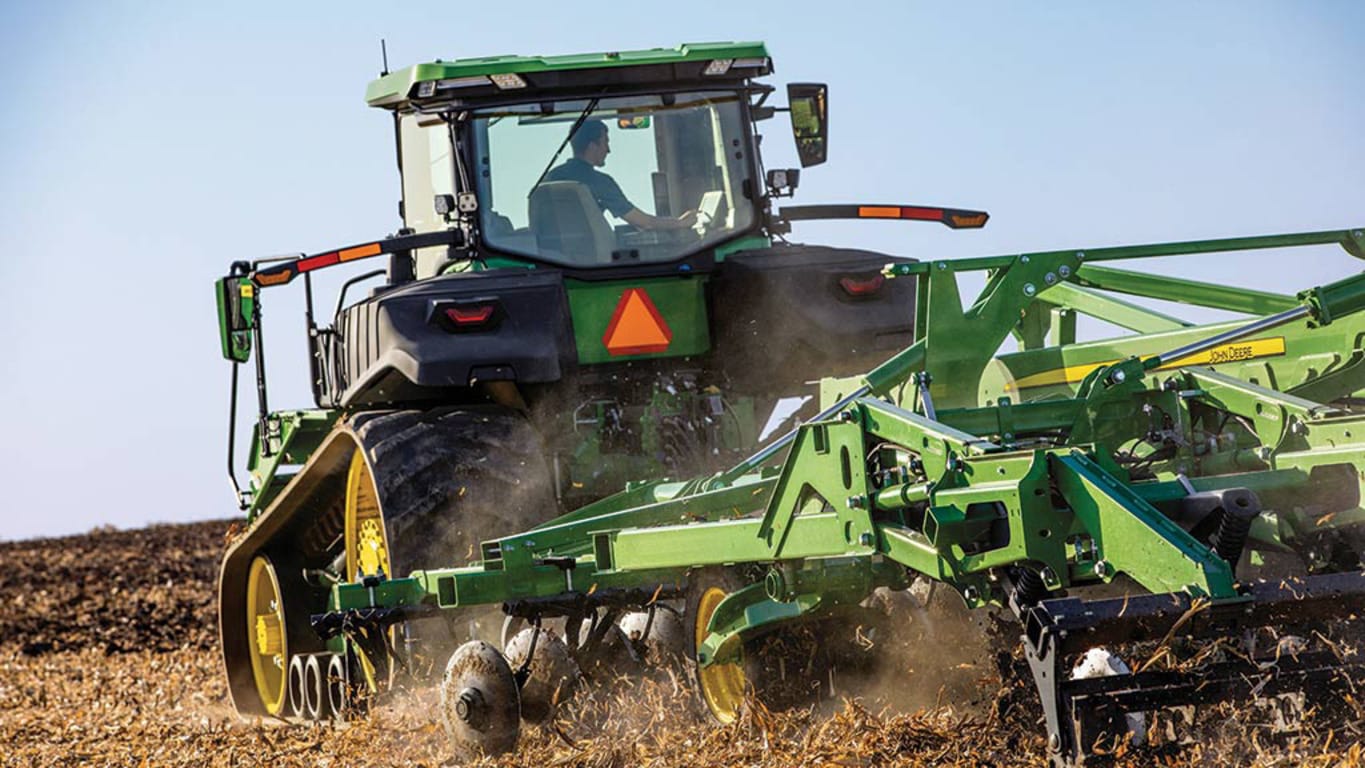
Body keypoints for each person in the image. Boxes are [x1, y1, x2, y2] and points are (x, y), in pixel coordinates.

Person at [545, 119, 696, 231]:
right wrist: (680, 222)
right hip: (593, 260)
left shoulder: (550, 178)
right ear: (592, 146)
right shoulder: (599, 182)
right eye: (605, 142)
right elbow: (643, 222)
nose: (608, 150)